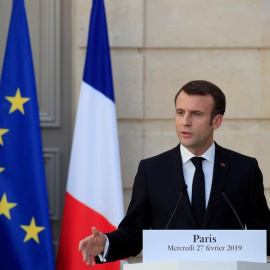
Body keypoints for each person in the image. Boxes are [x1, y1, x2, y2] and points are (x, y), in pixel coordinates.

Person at [78, 80, 270, 266]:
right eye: (180, 112)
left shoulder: (244, 169)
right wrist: (106, 242)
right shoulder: (151, 170)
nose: (185, 122)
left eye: (196, 114)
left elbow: (263, 233)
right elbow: (134, 233)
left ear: (216, 121)